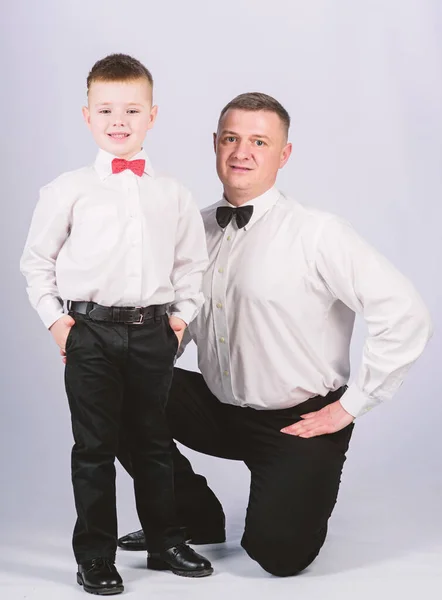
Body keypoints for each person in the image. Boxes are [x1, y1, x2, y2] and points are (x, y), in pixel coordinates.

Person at [117, 91, 433, 577]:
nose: (242, 152)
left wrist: (351, 406)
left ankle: (282, 500)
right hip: (220, 407)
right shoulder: (193, 231)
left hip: (298, 421)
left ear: (283, 155)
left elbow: (405, 312)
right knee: (114, 386)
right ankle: (192, 515)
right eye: (232, 138)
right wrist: (115, 350)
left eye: (259, 142)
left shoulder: (318, 233)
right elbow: (181, 321)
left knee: (279, 556)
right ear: (216, 146)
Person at [20, 54, 214, 595]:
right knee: (95, 447)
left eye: (132, 109)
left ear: (153, 115)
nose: (119, 120)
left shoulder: (172, 193)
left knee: (153, 441)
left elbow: (190, 266)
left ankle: (166, 542)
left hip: (154, 332)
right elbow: (37, 262)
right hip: (90, 333)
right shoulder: (67, 189)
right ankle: (96, 556)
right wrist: (58, 324)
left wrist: (179, 321)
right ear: (87, 116)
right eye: (106, 109)